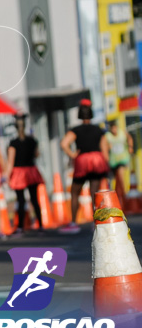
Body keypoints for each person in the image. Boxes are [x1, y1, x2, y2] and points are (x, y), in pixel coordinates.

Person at [59, 99, 110, 234]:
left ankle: (74, 222)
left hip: (83, 161)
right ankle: (96, 222)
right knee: (95, 192)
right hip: (96, 160)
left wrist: (73, 154)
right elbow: (104, 149)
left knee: (75, 191)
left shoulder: (75, 130)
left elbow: (64, 143)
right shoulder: (98, 130)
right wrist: (107, 165)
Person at [5, 113, 44, 233]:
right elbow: (37, 155)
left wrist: (7, 176)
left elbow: (10, 162)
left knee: (20, 200)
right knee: (34, 199)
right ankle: (40, 225)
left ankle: (20, 226)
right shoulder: (32, 140)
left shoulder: (13, 143)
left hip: (18, 172)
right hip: (31, 170)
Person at [105, 119, 134, 208]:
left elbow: (129, 138)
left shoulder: (122, 133)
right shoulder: (108, 136)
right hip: (113, 161)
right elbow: (104, 146)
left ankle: (124, 195)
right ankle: (117, 196)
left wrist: (130, 147)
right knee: (115, 179)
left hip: (122, 159)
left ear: (116, 127)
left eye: (115, 128)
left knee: (120, 176)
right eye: (112, 129)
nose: (114, 130)